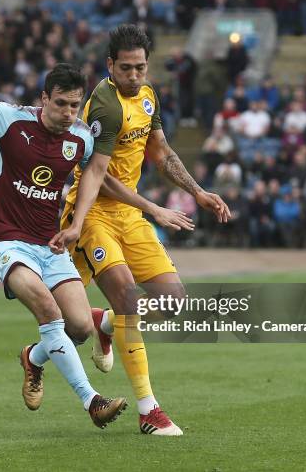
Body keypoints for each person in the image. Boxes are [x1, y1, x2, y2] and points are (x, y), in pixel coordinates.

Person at [0, 38, 127, 428]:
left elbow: (96, 175)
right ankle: (92, 402)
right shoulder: (10, 118)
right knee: (49, 313)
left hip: (49, 245)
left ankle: (32, 358)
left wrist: (77, 223)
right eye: (61, 104)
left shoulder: (81, 138)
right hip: (6, 241)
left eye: (74, 105)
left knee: (81, 327)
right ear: (43, 98)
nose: (69, 113)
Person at [60, 24, 230, 436]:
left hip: (129, 216)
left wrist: (198, 191)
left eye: (140, 68)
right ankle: (148, 411)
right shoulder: (104, 104)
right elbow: (97, 173)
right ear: (109, 66)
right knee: (126, 297)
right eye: (126, 69)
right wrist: (155, 208)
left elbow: (162, 152)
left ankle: (98, 328)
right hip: (94, 213)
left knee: (173, 301)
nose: (134, 76)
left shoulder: (148, 97)